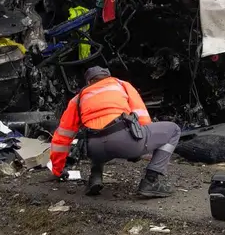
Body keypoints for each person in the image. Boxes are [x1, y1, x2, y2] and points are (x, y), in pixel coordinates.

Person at [48, 66, 181, 198]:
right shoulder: (122, 85)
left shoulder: (78, 98)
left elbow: (62, 137)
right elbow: (143, 119)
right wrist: (142, 149)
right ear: (109, 77)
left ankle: (95, 178)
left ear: (88, 82)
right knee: (174, 130)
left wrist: (58, 170)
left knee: (96, 132)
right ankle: (151, 181)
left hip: (94, 149)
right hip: (125, 142)